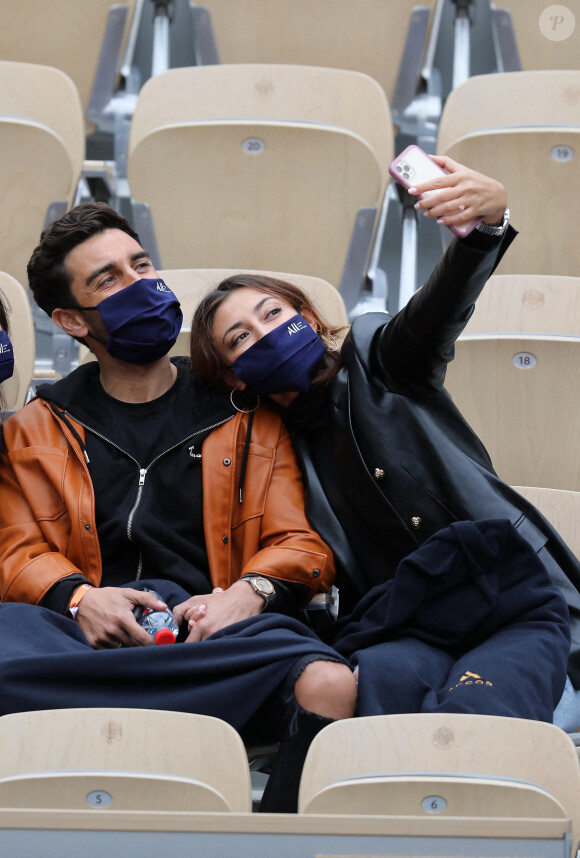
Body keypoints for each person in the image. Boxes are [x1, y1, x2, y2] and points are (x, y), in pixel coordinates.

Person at [190, 155, 577, 729]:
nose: (267, 332)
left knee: (482, 717)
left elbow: (435, 315)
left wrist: (485, 232)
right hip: (406, 624)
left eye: (274, 312)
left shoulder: (377, 357)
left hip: (509, 599)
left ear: (309, 318)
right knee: (378, 714)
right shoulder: (262, 453)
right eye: (241, 337)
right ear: (232, 378)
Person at [0, 202, 357, 813]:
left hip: (211, 634)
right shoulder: (35, 427)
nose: (139, 284)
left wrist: (249, 593)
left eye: (141, 265)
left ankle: (273, 848)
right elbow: (14, 550)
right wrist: (81, 598)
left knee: (330, 681)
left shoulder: (247, 411)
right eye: (108, 280)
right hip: (82, 637)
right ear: (70, 320)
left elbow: (300, 541)